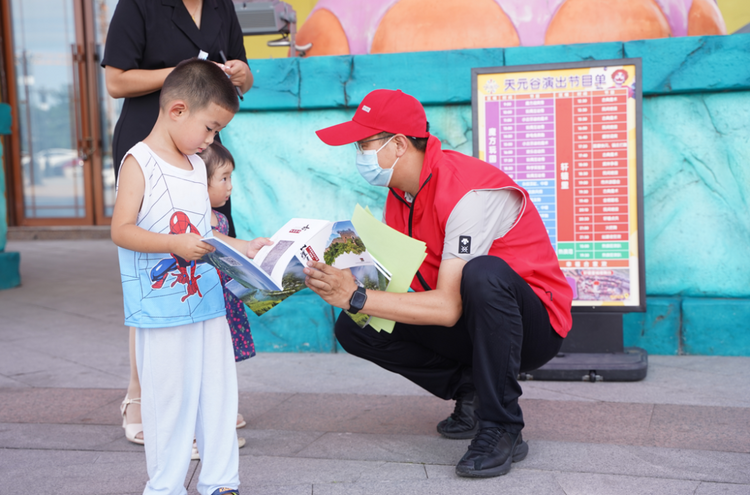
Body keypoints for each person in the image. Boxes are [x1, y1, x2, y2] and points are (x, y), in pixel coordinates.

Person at [305, 89, 573, 478]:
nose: (358, 154)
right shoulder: (401, 192)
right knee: (355, 326)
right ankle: (472, 389)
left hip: (531, 326)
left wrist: (359, 296)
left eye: (364, 143)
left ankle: (502, 427)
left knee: (484, 273)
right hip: (471, 319)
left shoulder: (468, 192)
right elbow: (407, 286)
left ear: (398, 144)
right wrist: (347, 283)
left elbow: (447, 307)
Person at [111, 58, 270, 495]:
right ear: (178, 110)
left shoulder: (197, 166)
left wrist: (245, 247)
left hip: (207, 305)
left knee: (218, 397)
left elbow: (203, 235)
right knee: (169, 404)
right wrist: (174, 246)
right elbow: (121, 230)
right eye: (210, 128)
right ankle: (165, 487)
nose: (211, 140)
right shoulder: (138, 162)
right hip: (161, 311)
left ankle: (221, 482)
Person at [102, 0, 253, 443]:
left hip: (201, 149)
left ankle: (206, 395)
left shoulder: (221, 7)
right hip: (151, 135)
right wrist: (185, 75)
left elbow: (236, 73)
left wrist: (240, 76)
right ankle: (142, 395)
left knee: (210, 258)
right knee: (155, 274)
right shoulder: (138, 5)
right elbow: (115, 80)